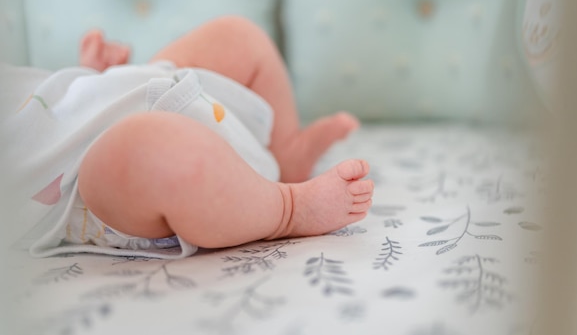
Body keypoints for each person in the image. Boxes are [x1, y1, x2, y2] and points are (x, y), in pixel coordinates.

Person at [1, 16, 374, 259]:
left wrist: (89, 80)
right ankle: (288, 208)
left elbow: (40, 107)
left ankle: (286, 152)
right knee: (152, 151)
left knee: (237, 37)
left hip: (138, 88)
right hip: (87, 181)